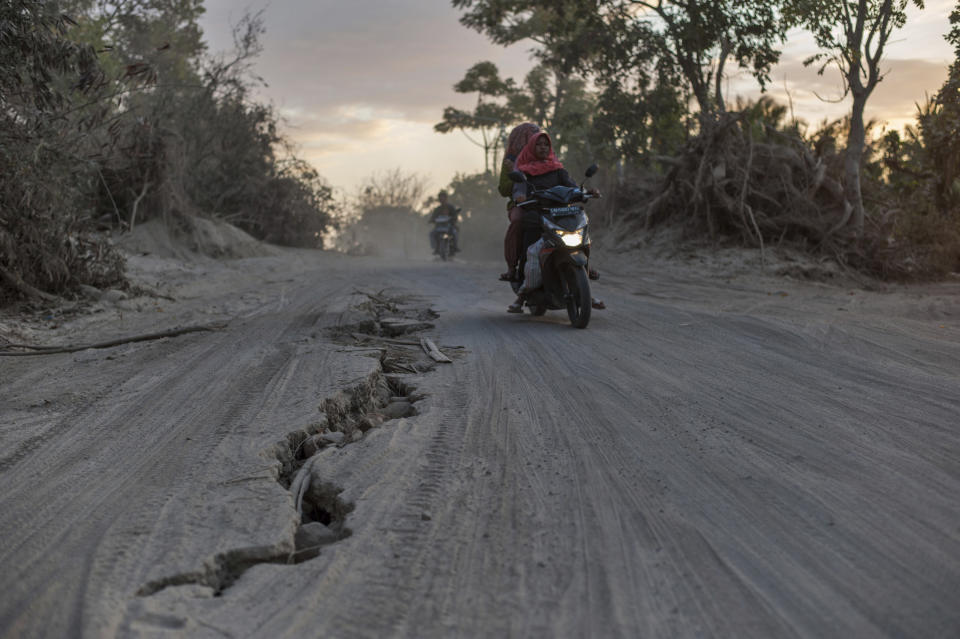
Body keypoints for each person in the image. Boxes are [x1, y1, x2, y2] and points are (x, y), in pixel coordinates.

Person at [508, 131, 605, 313]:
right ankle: (521, 296)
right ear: (532, 147)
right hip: (537, 215)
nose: (543, 147)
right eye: (539, 144)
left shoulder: (557, 169)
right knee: (531, 251)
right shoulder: (523, 171)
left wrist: (588, 192)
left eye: (546, 144)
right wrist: (520, 196)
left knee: (582, 238)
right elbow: (519, 188)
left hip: (562, 215)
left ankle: (585, 288)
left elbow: (573, 187)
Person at [498, 122, 540, 282]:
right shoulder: (510, 161)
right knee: (518, 221)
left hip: (545, 201)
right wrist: (513, 174)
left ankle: (582, 263)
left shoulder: (546, 157)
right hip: (521, 204)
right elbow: (503, 190)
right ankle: (512, 266)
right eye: (528, 138)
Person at [428, 190, 459, 255]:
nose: (442, 199)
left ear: (446, 198)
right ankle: (436, 248)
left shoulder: (451, 207)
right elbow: (433, 216)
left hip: (449, 226)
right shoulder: (437, 209)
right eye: (440, 198)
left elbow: (455, 215)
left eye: (443, 197)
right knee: (432, 234)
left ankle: (455, 247)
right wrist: (431, 220)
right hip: (439, 227)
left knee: (454, 233)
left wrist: (453, 219)